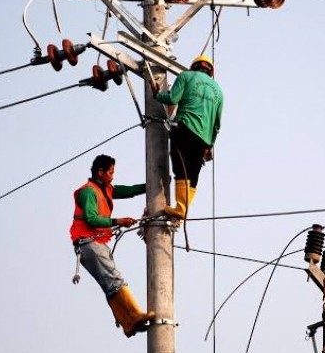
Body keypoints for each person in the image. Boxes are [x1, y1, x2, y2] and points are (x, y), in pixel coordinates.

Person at [69, 154, 154, 337]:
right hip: (89, 243)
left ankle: (128, 322)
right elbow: (91, 219)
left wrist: (151, 186)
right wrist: (118, 221)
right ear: (100, 172)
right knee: (114, 280)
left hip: (94, 244)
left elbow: (128, 190)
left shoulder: (104, 189)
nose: (113, 176)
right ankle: (133, 316)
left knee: (111, 283)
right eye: (110, 172)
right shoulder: (89, 191)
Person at [153, 54, 224, 219]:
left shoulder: (186, 76)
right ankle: (182, 209)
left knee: (181, 169)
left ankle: (180, 209)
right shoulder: (218, 91)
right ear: (211, 71)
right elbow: (217, 123)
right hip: (204, 139)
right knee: (193, 174)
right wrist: (210, 144)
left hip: (185, 129)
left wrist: (157, 95)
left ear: (194, 67)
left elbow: (172, 98)